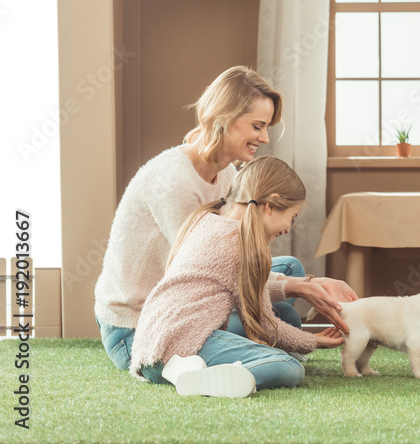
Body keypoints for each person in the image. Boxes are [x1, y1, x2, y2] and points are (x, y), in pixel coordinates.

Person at [95, 66, 357, 374]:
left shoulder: (227, 173)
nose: (265, 137)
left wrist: (305, 283)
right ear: (225, 119)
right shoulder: (173, 183)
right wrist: (301, 288)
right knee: (285, 302)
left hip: (199, 296)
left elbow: (228, 266)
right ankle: (249, 357)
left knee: (290, 277)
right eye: (257, 126)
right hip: (142, 324)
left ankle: (256, 348)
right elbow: (206, 271)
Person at [130, 156, 343, 397]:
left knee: (284, 314)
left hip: (151, 346)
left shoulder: (208, 220)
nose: (288, 227)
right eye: (291, 217)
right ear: (270, 206)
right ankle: (196, 379)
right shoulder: (241, 245)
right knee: (290, 368)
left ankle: (203, 370)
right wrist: (312, 341)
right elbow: (265, 326)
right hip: (177, 349)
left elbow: (241, 289)